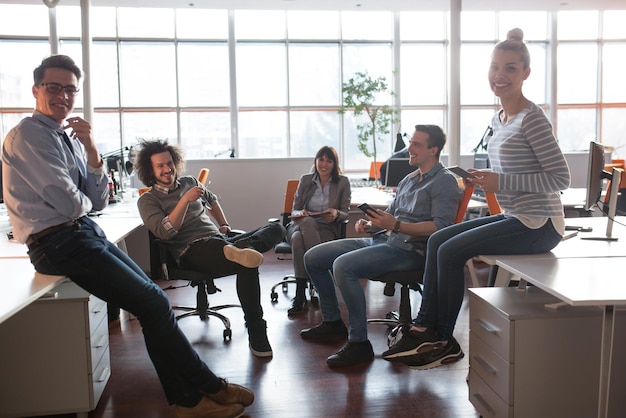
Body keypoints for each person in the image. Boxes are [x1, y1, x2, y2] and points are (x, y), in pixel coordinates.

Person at [1, 54, 253, 418]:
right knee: (152, 303)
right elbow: (68, 203)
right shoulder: (29, 134)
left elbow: (97, 199)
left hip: (81, 231)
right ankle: (201, 392)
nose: (63, 95)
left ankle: (195, 394)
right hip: (56, 241)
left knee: (155, 303)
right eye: (53, 87)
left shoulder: (68, 138)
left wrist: (89, 150)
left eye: (70, 89)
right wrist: (82, 201)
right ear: (35, 90)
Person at [382, 28, 571, 370]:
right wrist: (485, 183)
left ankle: (442, 339)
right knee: (439, 239)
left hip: (540, 223)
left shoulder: (533, 119)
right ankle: (425, 325)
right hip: (516, 214)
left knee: (453, 250)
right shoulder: (498, 118)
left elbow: (561, 179)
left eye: (511, 68)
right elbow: (511, 180)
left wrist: (501, 180)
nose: (500, 75)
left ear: (525, 73)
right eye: (495, 66)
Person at [300, 124, 463, 368]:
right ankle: (333, 322)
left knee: (343, 266)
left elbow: (441, 228)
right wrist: (371, 224)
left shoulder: (444, 181)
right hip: (385, 239)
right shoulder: (409, 179)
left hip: (411, 251)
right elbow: (391, 217)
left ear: (434, 150)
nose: (410, 148)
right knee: (313, 257)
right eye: (412, 143)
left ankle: (359, 343)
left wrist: (396, 225)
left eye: (417, 144)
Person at [134, 139, 285, 358]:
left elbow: (212, 200)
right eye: (160, 166)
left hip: (218, 240)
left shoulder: (189, 181)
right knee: (245, 264)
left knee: (275, 228)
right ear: (150, 170)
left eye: (170, 163)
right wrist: (185, 200)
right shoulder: (148, 200)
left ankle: (238, 249)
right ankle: (257, 333)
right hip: (190, 251)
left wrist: (224, 224)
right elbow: (166, 232)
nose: (168, 169)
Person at [285, 146, 351, 315]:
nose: (324, 164)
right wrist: (300, 213)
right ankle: (318, 278)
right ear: (315, 161)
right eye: (321, 159)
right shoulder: (306, 180)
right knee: (306, 222)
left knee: (298, 241)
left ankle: (300, 294)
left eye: (329, 160)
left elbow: (345, 213)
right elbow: (294, 210)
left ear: (334, 164)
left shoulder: (342, 182)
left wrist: (336, 214)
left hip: (326, 228)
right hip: (300, 224)